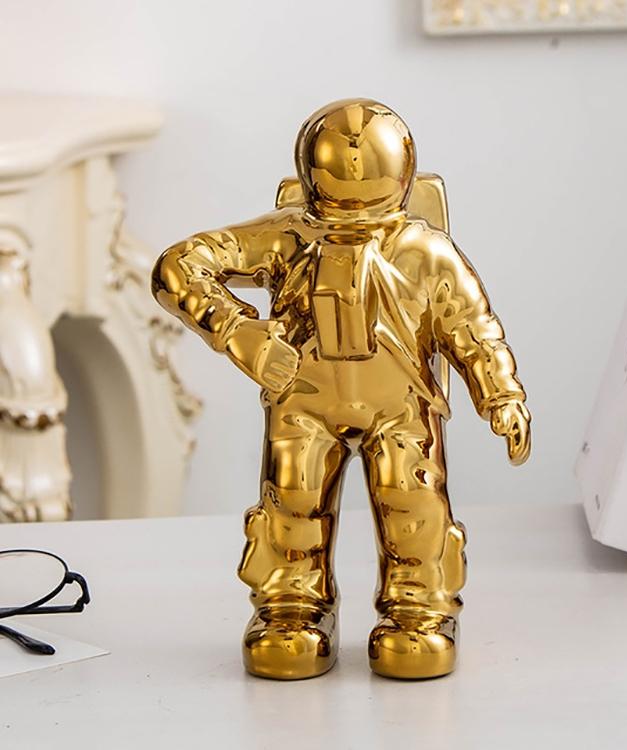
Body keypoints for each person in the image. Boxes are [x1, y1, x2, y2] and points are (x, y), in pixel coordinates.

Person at [152, 99, 531, 680]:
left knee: (412, 506)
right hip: (304, 405)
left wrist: (501, 395)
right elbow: (179, 267)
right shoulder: (286, 237)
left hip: (400, 409)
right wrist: (237, 330)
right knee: (292, 506)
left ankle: (418, 608)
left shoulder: (425, 253)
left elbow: (473, 330)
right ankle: (291, 607)